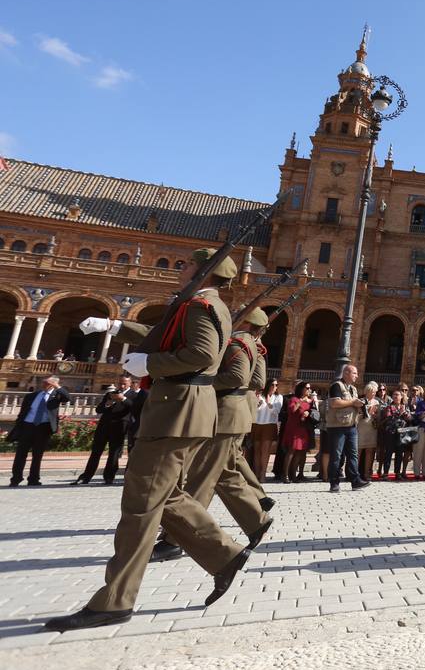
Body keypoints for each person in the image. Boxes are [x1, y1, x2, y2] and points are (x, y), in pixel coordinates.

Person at [45, 249, 249, 632]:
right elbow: (164, 338)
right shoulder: (202, 304)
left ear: (203, 272)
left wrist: (149, 365)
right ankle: (224, 555)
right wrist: (113, 326)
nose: (179, 266)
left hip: (176, 410)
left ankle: (114, 602)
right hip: (182, 409)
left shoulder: (199, 306)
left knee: (140, 506)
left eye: (185, 263)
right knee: (166, 494)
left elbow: (201, 353)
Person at [152, 307, 276, 562]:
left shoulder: (237, 342)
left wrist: (201, 381)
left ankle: (176, 540)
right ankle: (255, 520)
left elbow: (237, 377)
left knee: (202, 478)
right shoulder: (255, 346)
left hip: (225, 414)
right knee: (224, 473)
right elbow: (257, 380)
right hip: (237, 413)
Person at [8, 374, 71, 486]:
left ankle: (33, 479)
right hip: (27, 426)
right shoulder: (32, 395)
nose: (44, 384)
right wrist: (19, 425)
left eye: (47, 383)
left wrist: (57, 386)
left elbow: (67, 398)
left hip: (43, 427)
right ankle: (16, 479)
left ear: (53, 384)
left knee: (37, 455)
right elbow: (23, 412)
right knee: (20, 454)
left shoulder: (56, 396)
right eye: (43, 382)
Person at [77, 375, 136, 485]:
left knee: (114, 454)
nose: (122, 386)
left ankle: (109, 477)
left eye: (124, 383)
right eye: (120, 383)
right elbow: (99, 409)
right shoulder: (110, 394)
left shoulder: (133, 395)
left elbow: (134, 407)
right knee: (95, 452)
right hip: (104, 426)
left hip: (119, 427)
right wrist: (107, 403)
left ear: (130, 384)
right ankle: (86, 476)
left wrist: (123, 399)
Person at [326, 364, 370, 493]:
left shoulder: (353, 389)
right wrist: (353, 402)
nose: (357, 376)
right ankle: (334, 482)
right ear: (346, 373)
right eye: (354, 373)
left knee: (353, 455)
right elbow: (334, 403)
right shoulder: (336, 386)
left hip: (351, 426)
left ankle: (355, 481)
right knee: (336, 456)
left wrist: (361, 407)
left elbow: (353, 405)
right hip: (337, 427)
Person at [281, 382, 315, 482]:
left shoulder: (310, 401)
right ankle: (285, 475)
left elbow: (313, 413)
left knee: (300, 452)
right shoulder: (294, 399)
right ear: (301, 389)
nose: (309, 390)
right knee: (291, 451)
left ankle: (294, 475)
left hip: (303, 428)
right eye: (307, 388)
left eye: (310, 388)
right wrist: (301, 401)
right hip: (293, 428)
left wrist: (308, 413)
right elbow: (292, 411)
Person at [252, 379, 283, 481]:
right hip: (256, 424)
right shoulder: (259, 396)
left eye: (276, 385)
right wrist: (259, 403)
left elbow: (276, 412)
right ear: (268, 385)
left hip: (269, 425)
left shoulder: (278, 397)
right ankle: (256, 474)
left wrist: (269, 403)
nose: (275, 387)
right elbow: (254, 410)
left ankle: (263, 474)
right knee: (256, 450)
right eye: (273, 385)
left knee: (265, 451)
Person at [379, 390, 413, 479]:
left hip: (401, 434)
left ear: (401, 397)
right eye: (394, 394)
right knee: (388, 453)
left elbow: (410, 418)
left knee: (399, 453)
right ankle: (385, 473)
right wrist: (399, 413)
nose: (395, 396)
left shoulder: (405, 407)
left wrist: (405, 413)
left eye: (397, 395)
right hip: (391, 433)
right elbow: (388, 417)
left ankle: (397, 473)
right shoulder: (389, 407)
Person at [356, 381, 382, 481]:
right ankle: (355, 473)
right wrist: (366, 413)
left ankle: (367, 473)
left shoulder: (377, 402)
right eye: (372, 392)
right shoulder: (361, 401)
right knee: (358, 452)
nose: (374, 394)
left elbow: (379, 418)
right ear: (367, 391)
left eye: (375, 392)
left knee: (370, 451)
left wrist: (375, 416)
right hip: (361, 429)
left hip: (372, 429)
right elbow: (356, 417)